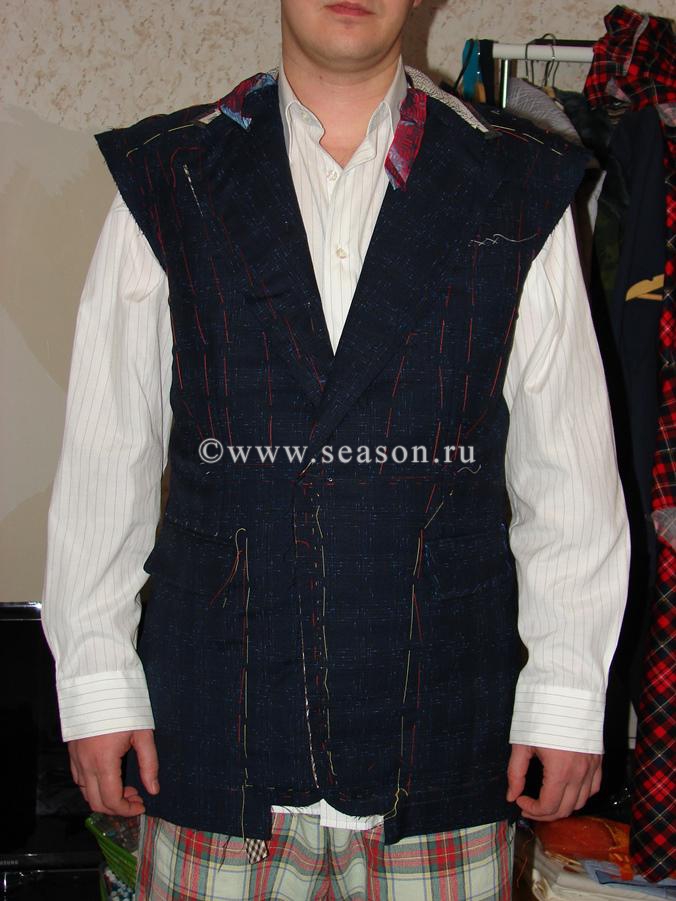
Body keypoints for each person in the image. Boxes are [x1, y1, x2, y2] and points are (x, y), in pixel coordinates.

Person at [42, 1, 630, 898]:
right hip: (219, 742)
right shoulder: (173, 176)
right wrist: (95, 679)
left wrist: (567, 692)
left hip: (443, 744)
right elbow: (105, 454)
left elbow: (570, 478)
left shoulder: (514, 181)